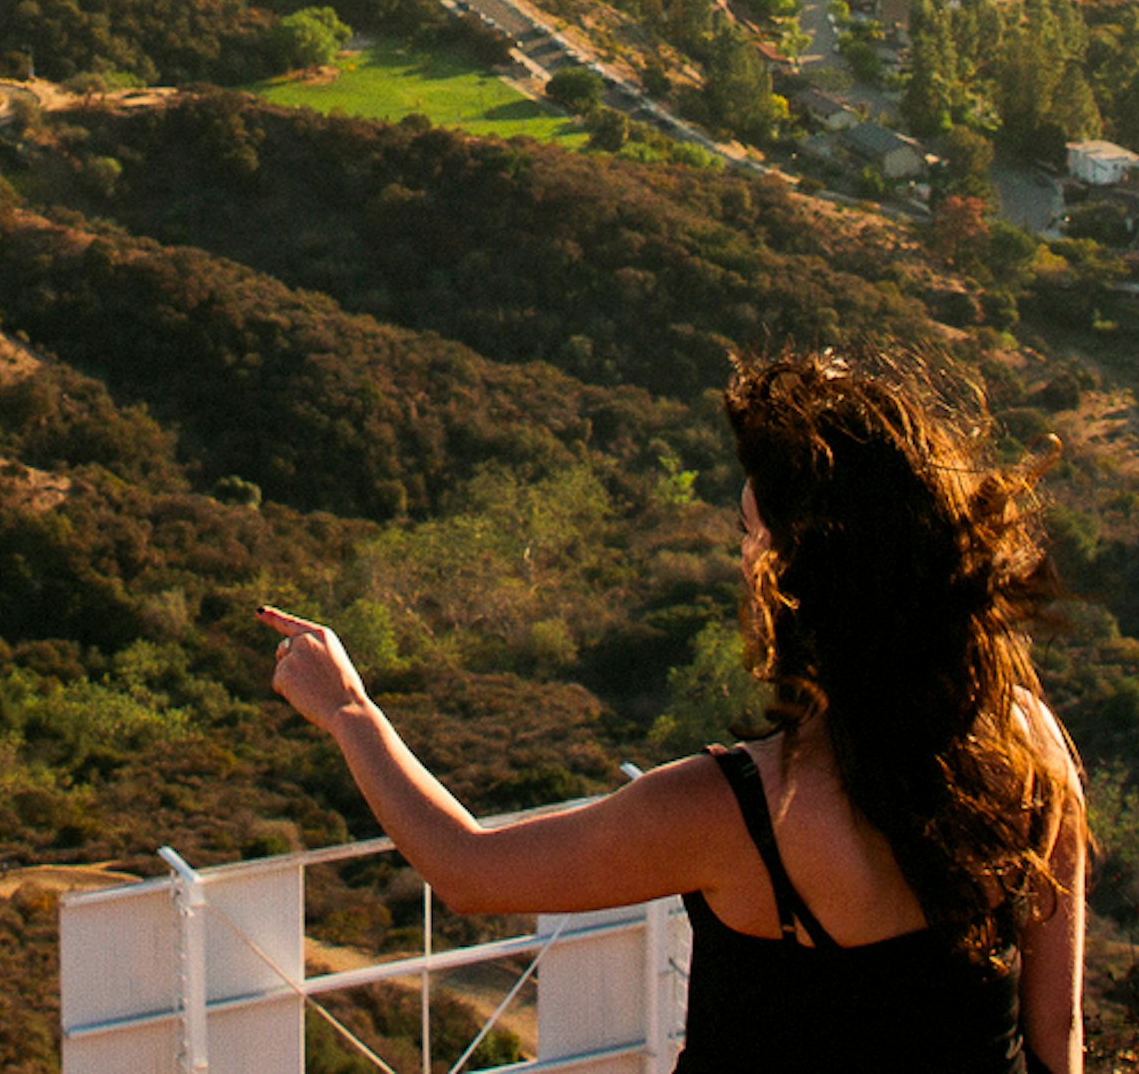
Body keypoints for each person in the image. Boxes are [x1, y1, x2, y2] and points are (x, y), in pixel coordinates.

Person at [264, 347, 1086, 1074]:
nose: (740, 554)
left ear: (801, 581)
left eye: (750, 532)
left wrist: (349, 712)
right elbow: (1056, 1032)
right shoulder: (1031, 745)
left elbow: (470, 869)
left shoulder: (738, 810)